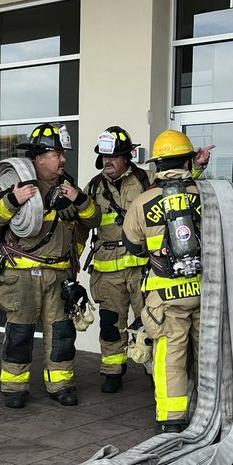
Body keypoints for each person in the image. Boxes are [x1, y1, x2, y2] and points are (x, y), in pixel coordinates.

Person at [0, 122, 98, 408]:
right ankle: (14, 387)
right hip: (21, 275)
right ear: (40, 158)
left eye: (62, 154)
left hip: (58, 275)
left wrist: (81, 200)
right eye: (57, 154)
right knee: (19, 333)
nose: (62, 160)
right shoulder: (15, 183)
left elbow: (93, 221)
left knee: (61, 334)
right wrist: (12, 200)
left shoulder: (69, 188)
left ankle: (61, 385)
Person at [122, 130, 203, 433]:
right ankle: (211, 415)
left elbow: (133, 247)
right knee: (206, 355)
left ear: (157, 165)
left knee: (170, 356)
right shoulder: (207, 196)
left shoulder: (143, 202)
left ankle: (172, 419)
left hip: (166, 295)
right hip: (206, 291)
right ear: (188, 160)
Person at [84, 126, 151, 392]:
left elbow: (177, 190)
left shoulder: (148, 181)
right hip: (107, 270)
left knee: (150, 323)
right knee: (111, 324)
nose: (107, 162)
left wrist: (196, 169)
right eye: (103, 157)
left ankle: (156, 372)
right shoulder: (94, 187)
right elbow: (80, 225)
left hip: (143, 270)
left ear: (126, 157)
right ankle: (112, 372)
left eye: (112, 157)